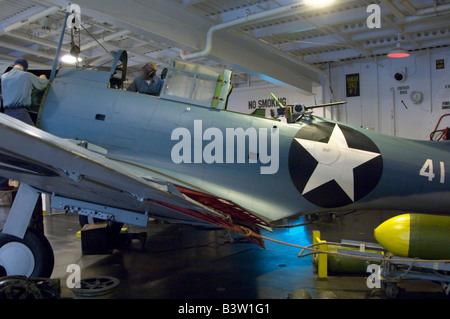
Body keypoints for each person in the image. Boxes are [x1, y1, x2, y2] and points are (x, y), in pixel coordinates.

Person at [0, 58, 49, 190]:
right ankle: (37, 176)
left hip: (7, 114)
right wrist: (43, 77)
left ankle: (5, 180)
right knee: (36, 142)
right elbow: (42, 84)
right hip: (20, 114)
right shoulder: (26, 76)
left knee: (9, 147)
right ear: (25, 67)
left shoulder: (4, 76)